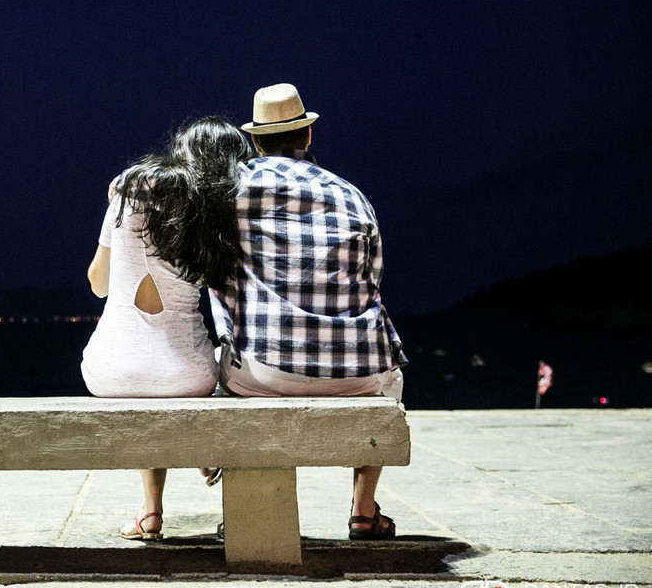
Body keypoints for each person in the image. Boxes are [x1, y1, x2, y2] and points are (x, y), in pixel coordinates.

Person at [210, 83, 409, 540]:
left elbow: (213, 274)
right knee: (392, 376)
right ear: (308, 137)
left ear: (255, 141)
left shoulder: (231, 193)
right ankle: (363, 510)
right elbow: (371, 281)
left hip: (262, 373)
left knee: (232, 368)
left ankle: (251, 505)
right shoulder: (353, 195)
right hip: (357, 376)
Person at [82, 116, 252, 541]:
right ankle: (208, 455)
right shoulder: (217, 219)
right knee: (223, 362)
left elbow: (98, 284)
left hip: (109, 372)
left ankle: (151, 513)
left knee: (146, 373)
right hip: (186, 378)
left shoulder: (125, 196)